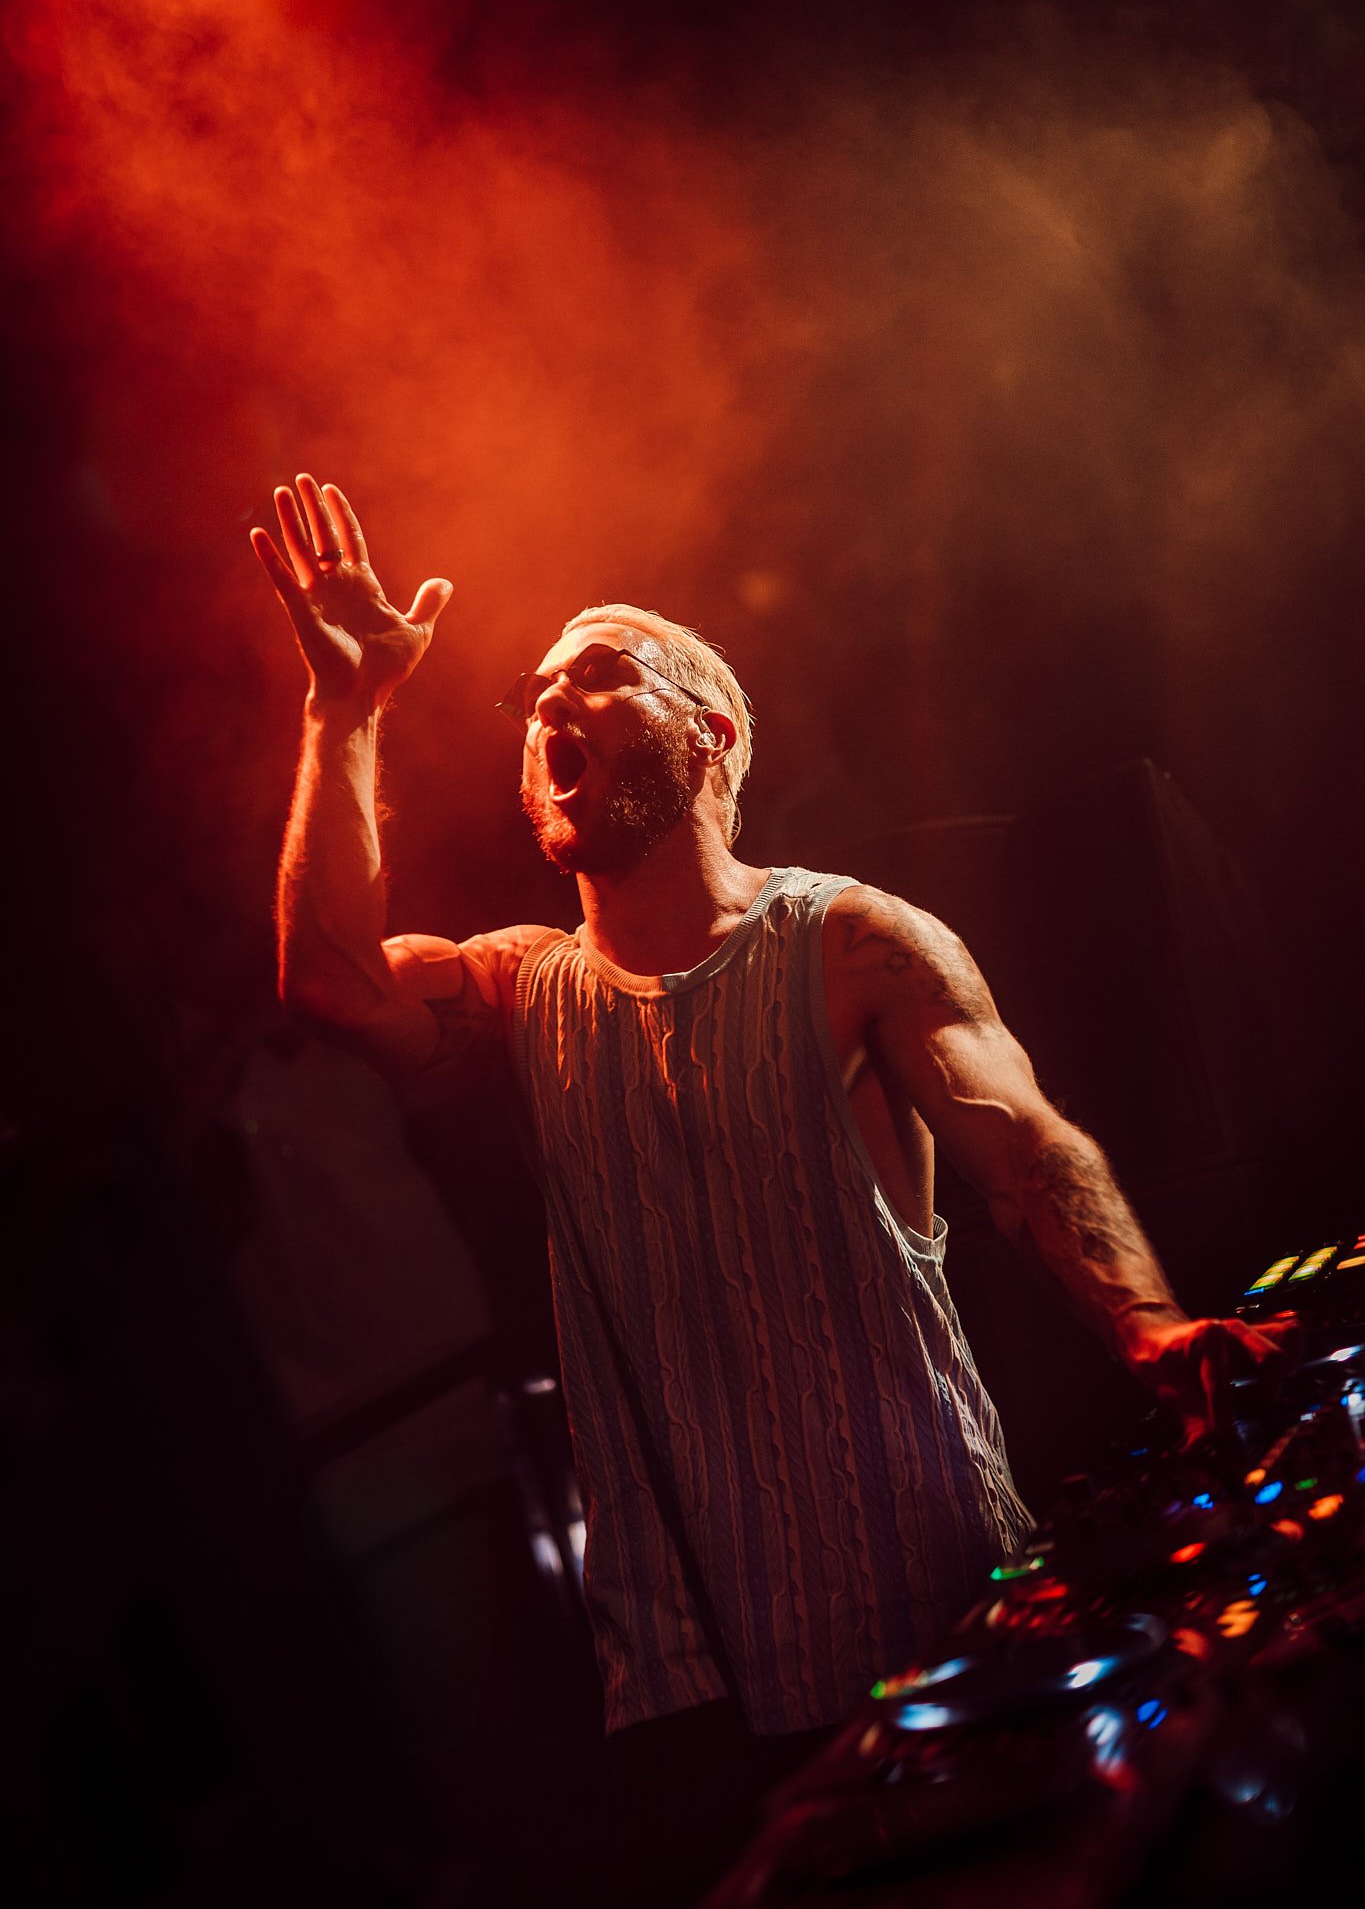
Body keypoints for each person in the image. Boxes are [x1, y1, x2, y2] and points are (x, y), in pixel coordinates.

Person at [251, 472, 1295, 1899]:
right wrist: (344, 708)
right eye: (533, 696)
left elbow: (1026, 1147)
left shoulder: (850, 942)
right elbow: (325, 982)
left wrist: (1148, 1329)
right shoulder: (514, 986)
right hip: (684, 1674)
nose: (547, 707)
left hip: (934, 1605)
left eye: (597, 676)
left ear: (710, 735)